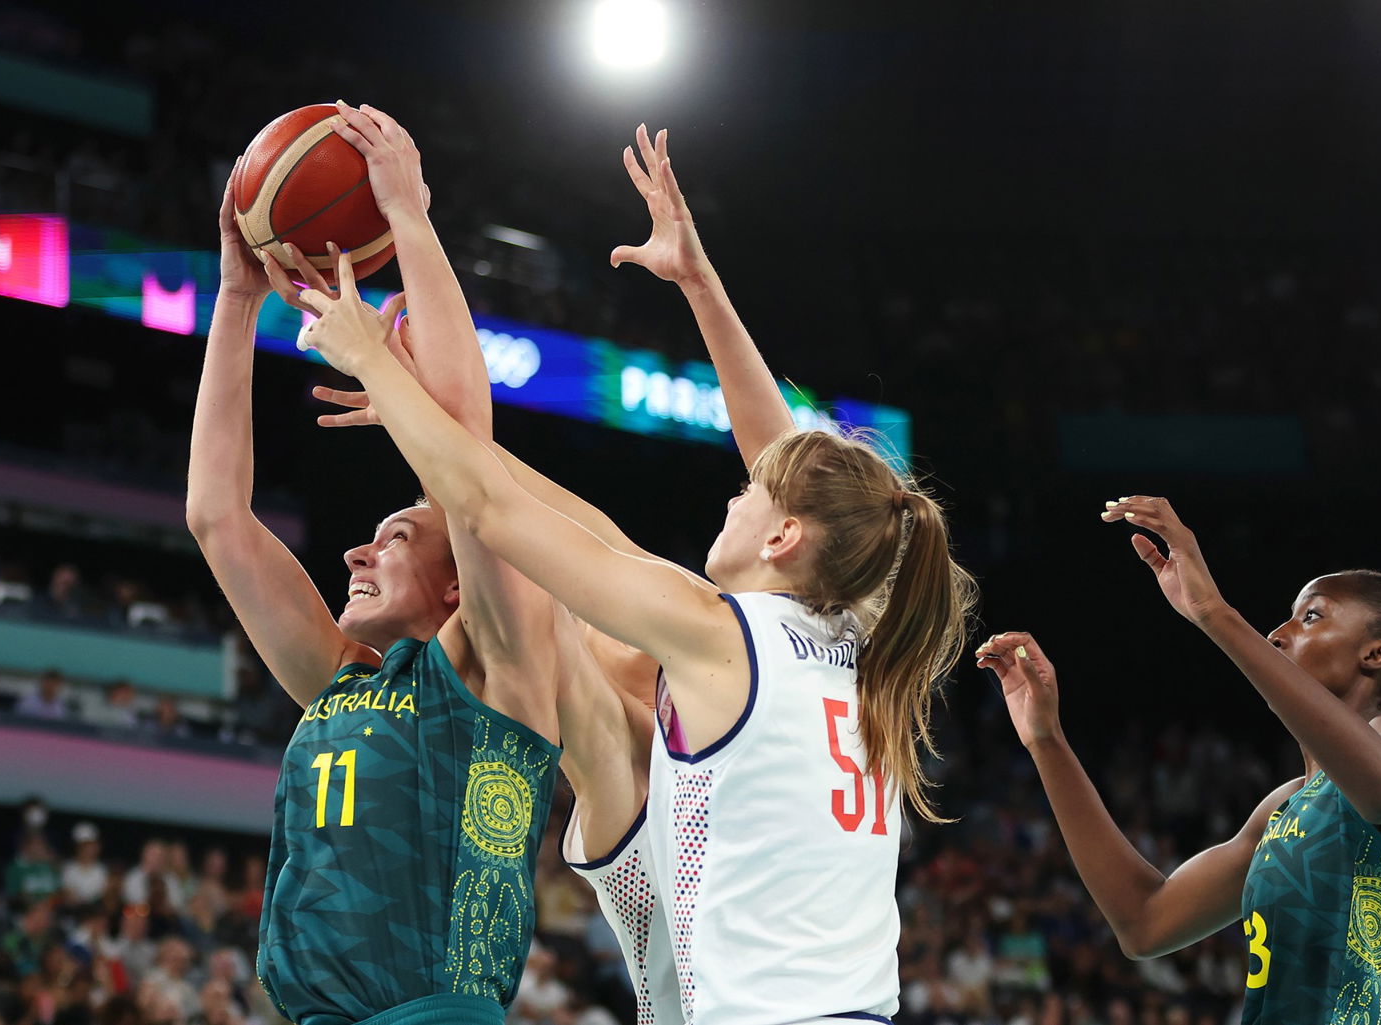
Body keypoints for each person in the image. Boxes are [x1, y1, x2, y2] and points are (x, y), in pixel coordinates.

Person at [296, 105, 976, 1025]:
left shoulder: (708, 637)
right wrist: (698, 284)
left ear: (783, 540)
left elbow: (492, 509)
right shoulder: (862, 635)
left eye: (746, 497)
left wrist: (380, 367)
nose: (732, 496)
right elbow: (788, 468)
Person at [188, 106, 567, 1025]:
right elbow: (217, 516)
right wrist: (237, 300)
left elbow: (467, 456)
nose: (359, 548)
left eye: (397, 533)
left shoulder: (494, 668)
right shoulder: (343, 683)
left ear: (456, 585)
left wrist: (407, 215)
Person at [977, 495, 1381, 1024]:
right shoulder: (1283, 810)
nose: (1278, 634)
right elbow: (1144, 922)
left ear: (1378, 654)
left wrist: (1213, 612)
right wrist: (1047, 742)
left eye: (1310, 617)